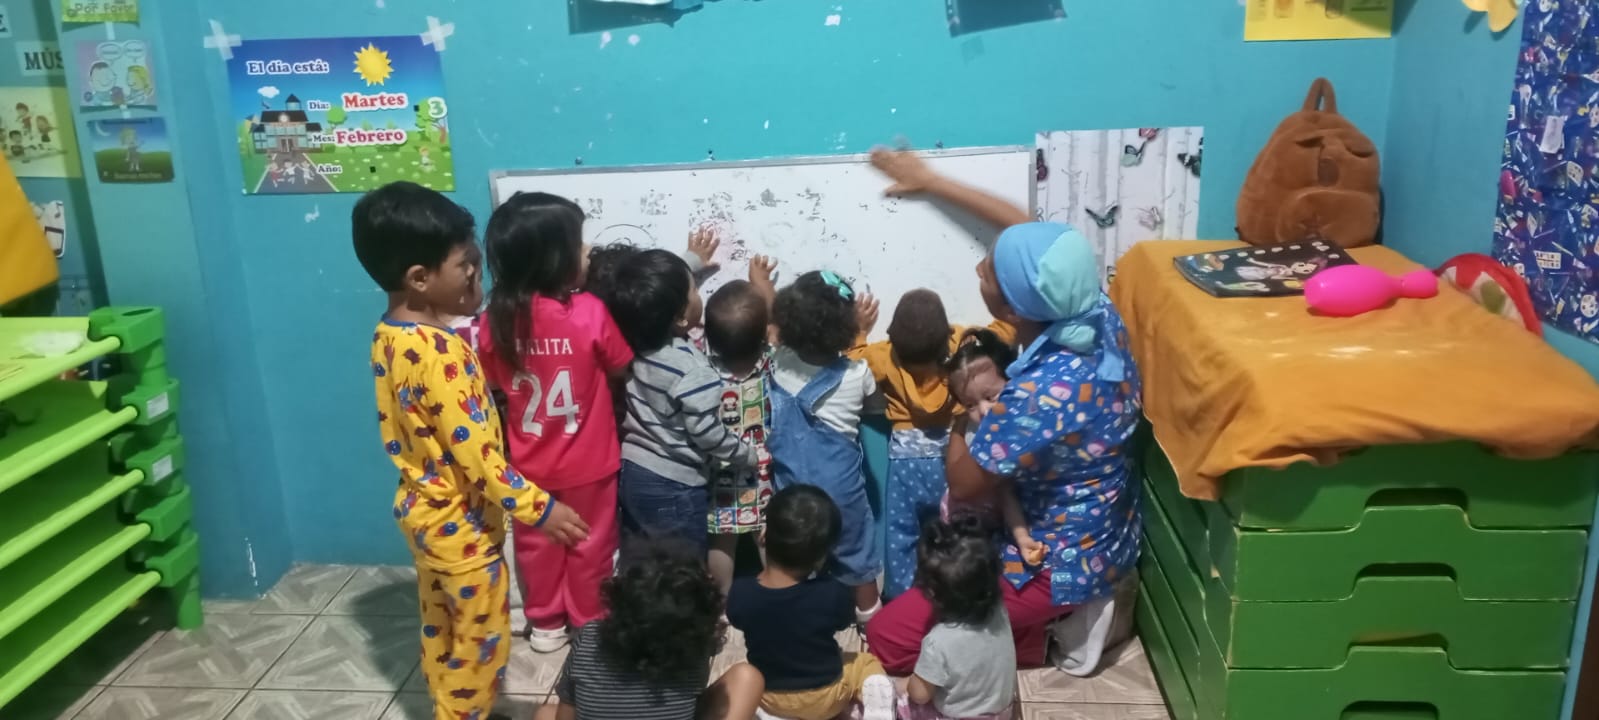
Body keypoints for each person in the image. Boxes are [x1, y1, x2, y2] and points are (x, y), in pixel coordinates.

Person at [864, 149, 1143, 677]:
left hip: (1058, 557)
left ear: (1012, 308)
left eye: (989, 272)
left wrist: (959, 417)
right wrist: (930, 181)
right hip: (1106, 526)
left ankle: (1063, 616)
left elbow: (964, 483)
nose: (978, 266)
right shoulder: (1093, 309)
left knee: (886, 640)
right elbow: (1027, 233)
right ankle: (1038, 635)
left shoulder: (1036, 395)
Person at [353, 181, 589, 720]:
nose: (477, 275)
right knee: (481, 650)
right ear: (420, 278)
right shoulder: (442, 354)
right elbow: (480, 460)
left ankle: (449, 708)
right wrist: (542, 509)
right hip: (463, 531)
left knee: (444, 633)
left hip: (424, 514)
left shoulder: (389, 334)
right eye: (466, 265)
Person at [476, 192, 634, 654]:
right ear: (553, 259)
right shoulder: (589, 312)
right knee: (590, 543)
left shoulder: (494, 320)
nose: (587, 252)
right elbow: (621, 365)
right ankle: (587, 622)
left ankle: (545, 623)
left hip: (528, 466)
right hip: (591, 463)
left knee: (536, 546)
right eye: (578, 244)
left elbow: (491, 379)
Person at [848, 289, 1014, 599]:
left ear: (892, 337)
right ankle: (964, 590)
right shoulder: (960, 346)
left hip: (905, 464)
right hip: (950, 459)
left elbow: (853, 362)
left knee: (902, 534)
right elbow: (1003, 334)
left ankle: (902, 597)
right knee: (957, 530)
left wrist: (859, 333)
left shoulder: (884, 356)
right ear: (946, 336)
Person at [610, 243, 761, 553]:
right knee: (683, 568)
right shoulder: (693, 370)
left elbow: (645, 291)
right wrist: (745, 454)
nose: (697, 290)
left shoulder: (634, 338)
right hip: (675, 485)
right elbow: (707, 434)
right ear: (680, 317)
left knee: (641, 559)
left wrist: (690, 260)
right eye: (694, 287)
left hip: (633, 472)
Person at [535, 544, 766, 720]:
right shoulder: (693, 652)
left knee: (545, 713)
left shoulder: (589, 638)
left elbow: (565, 714)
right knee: (747, 678)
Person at [767, 270, 883, 620]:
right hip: (841, 495)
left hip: (790, 493)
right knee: (858, 559)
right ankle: (870, 621)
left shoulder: (775, 362)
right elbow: (875, 409)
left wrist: (764, 285)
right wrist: (862, 335)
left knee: (793, 557)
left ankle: (792, 617)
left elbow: (771, 332)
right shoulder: (857, 374)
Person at [727, 486, 896, 720]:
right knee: (866, 663)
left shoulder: (741, 592)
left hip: (769, 695)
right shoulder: (831, 593)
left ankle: (776, 716)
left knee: (748, 670)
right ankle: (877, 710)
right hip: (826, 696)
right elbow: (842, 620)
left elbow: (736, 618)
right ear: (821, 557)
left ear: (763, 537)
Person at [703, 257, 780, 595]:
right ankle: (779, 592)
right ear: (763, 333)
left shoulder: (704, 368)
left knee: (722, 540)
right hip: (762, 472)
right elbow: (776, 322)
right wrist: (761, 280)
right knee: (768, 534)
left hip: (720, 467)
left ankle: (719, 604)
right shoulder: (769, 362)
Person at [898, 514, 1016, 720]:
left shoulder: (938, 641)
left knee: (903, 701)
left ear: (932, 592)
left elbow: (920, 695)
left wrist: (909, 683)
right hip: (1002, 713)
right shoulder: (999, 609)